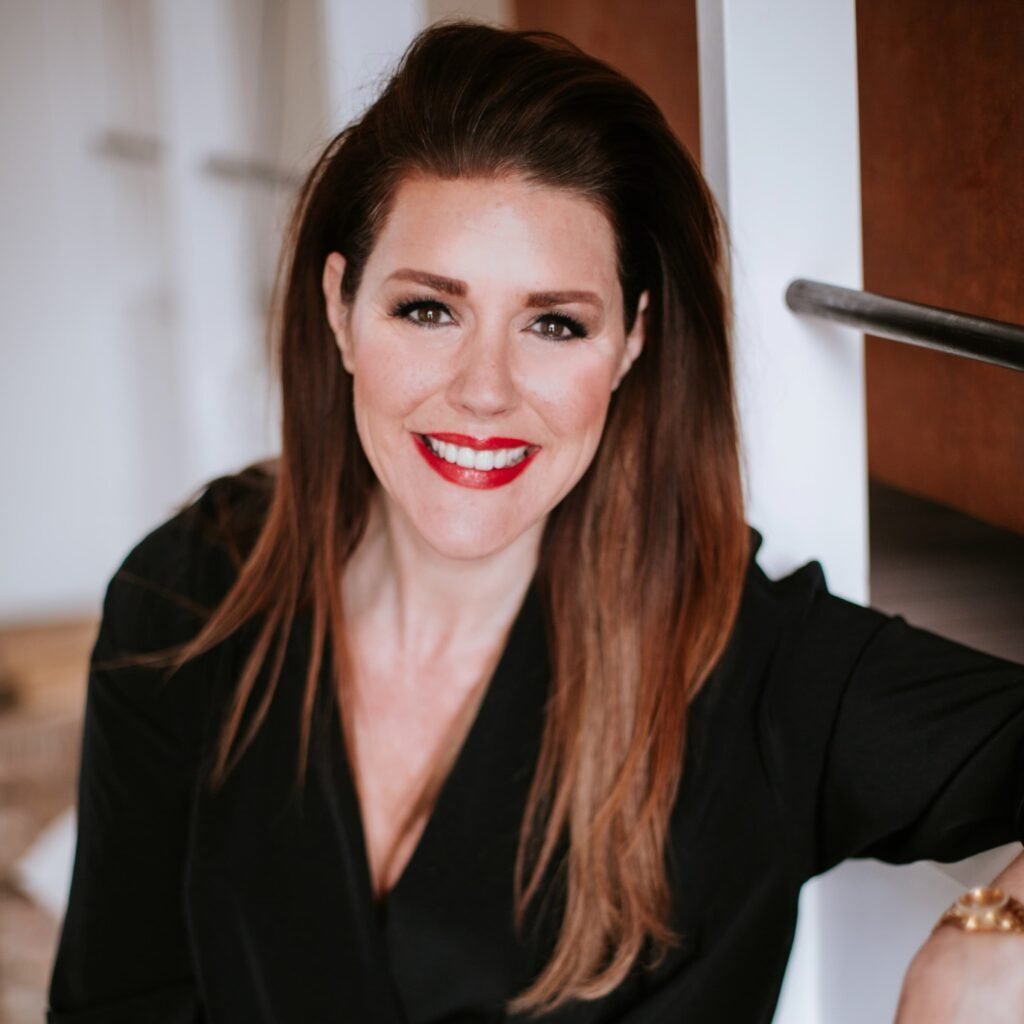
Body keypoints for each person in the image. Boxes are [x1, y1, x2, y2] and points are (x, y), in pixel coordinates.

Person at [47, 21, 1024, 1024]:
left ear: (632, 339)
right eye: (429, 309)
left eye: (555, 323)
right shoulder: (188, 594)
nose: (485, 390)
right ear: (341, 307)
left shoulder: (756, 675)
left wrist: (987, 942)